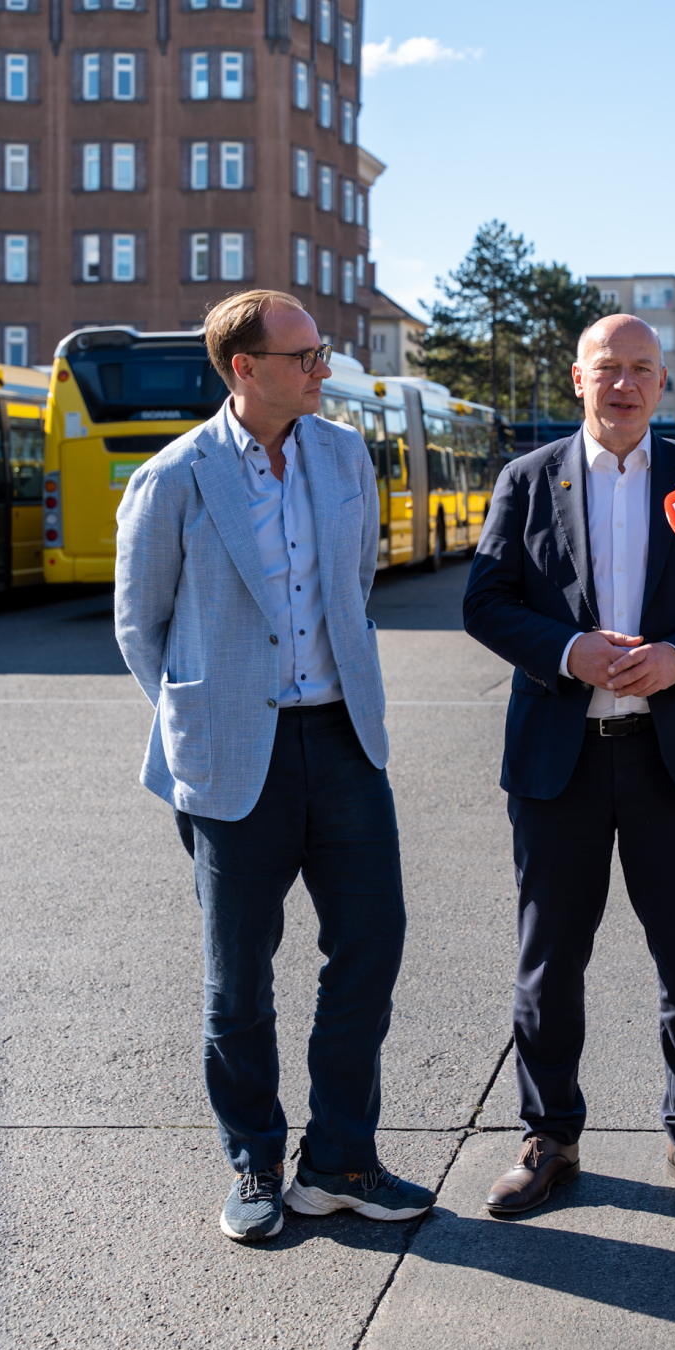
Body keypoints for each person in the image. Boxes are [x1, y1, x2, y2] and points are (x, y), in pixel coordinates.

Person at [115, 290, 435, 1241]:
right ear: (244, 369)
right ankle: (255, 1162)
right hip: (231, 756)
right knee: (237, 978)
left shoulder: (342, 456)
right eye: (304, 355)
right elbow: (143, 628)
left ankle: (338, 1160)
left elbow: (356, 581)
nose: (321, 368)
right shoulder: (174, 478)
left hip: (344, 740)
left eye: (320, 351)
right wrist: (202, 717)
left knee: (371, 945)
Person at [463, 314, 675, 1217]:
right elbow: (486, 602)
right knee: (549, 960)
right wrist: (566, 650)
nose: (624, 384)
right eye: (608, 368)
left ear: (663, 384)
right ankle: (550, 1137)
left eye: (642, 369)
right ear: (578, 378)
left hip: (672, 758)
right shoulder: (527, 480)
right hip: (561, 760)